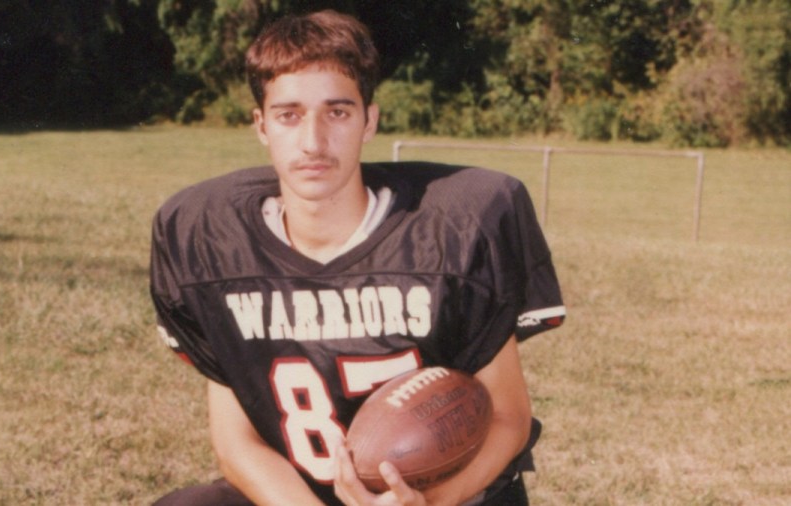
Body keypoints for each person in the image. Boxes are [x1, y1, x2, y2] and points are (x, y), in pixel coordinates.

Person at [149, 9, 565, 506]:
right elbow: (237, 441)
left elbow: (508, 418)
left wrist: (431, 502)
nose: (313, 141)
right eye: (289, 115)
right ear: (261, 125)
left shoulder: (457, 227)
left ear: (371, 120)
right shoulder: (211, 238)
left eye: (338, 112)